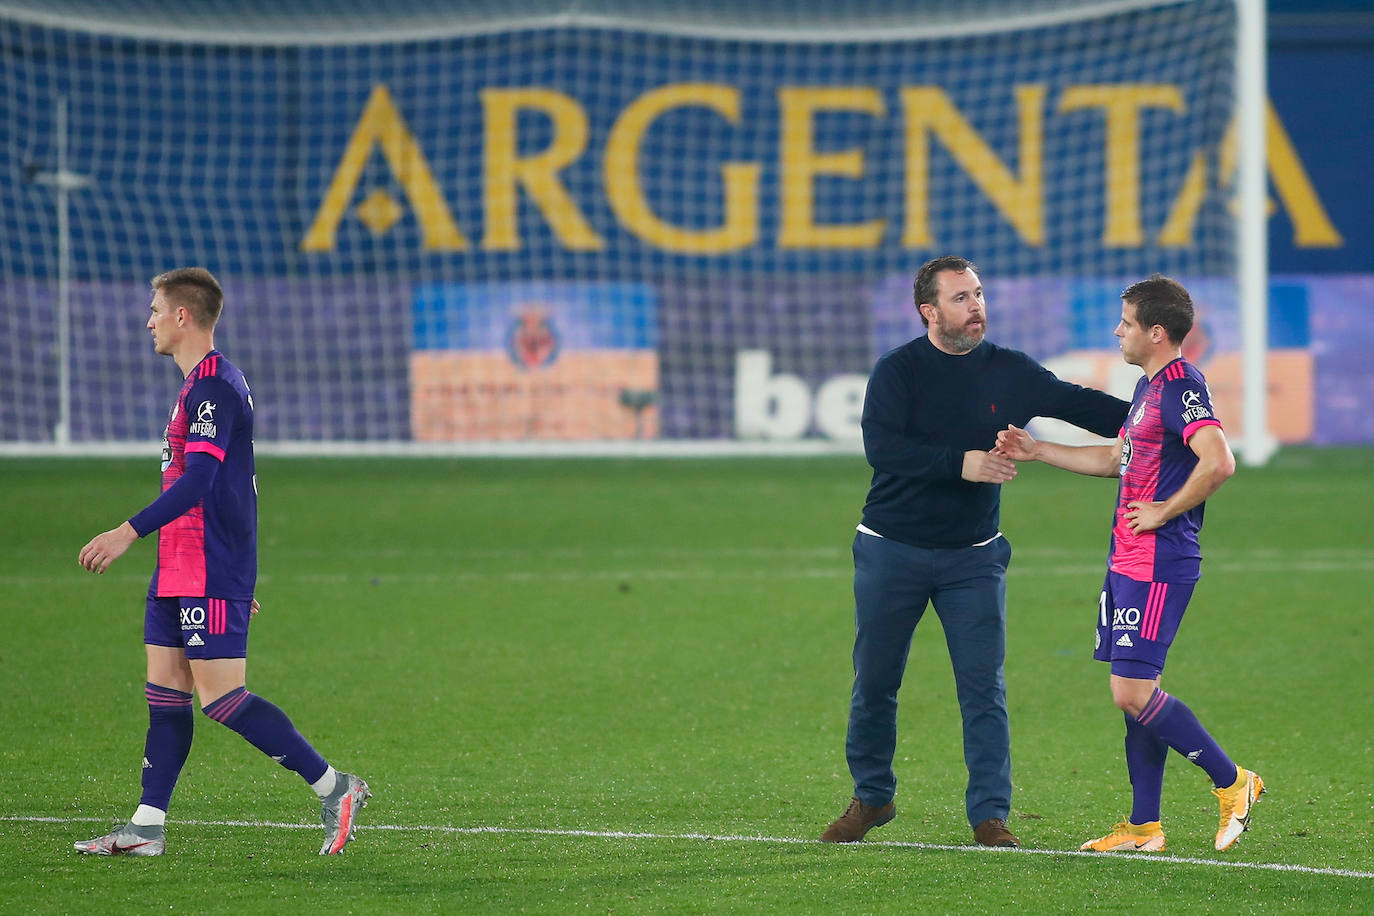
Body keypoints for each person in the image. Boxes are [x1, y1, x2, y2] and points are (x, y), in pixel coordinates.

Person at [821, 255, 1129, 847]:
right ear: (929, 311)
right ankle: (872, 798)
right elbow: (881, 448)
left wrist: (1167, 411)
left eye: (980, 294)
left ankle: (990, 815)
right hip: (892, 550)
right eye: (961, 298)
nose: (976, 307)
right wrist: (957, 464)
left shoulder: (1010, 371)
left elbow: (1085, 406)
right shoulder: (898, 371)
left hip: (974, 558)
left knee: (983, 687)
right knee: (876, 681)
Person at [74, 267, 370, 857]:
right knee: (165, 692)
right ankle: (147, 828)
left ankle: (336, 787)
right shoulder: (196, 386)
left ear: (183, 315)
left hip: (207, 563)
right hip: (182, 565)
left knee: (223, 699)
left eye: (156, 309)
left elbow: (205, 480)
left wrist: (127, 532)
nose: (149, 320)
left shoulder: (214, 386)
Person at [995, 273, 1263, 853]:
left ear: (1157, 332)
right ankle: (1145, 826)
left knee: (1131, 693)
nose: (1117, 331)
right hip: (1127, 560)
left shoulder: (1181, 387)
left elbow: (1218, 462)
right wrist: (1038, 449)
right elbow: (1115, 458)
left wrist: (1165, 510)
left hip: (1160, 563)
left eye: (1126, 322)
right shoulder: (1147, 390)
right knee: (1139, 692)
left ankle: (1235, 782)